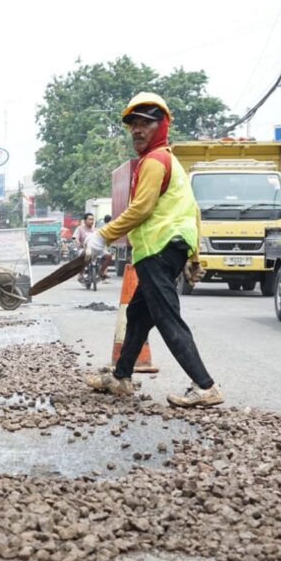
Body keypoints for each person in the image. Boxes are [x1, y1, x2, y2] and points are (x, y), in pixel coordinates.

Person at [84, 92, 223, 408]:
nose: (137, 129)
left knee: (166, 316)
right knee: (137, 314)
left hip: (157, 251)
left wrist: (103, 235)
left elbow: (142, 208)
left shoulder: (154, 161)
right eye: (133, 124)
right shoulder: (172, 163)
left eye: (145, 123)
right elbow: (193, 212)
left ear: (162, 126)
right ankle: (121, 377)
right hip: (167, 250)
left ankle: (206, 386)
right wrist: (193, 257)